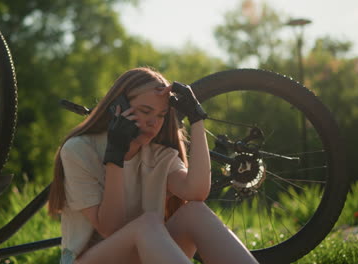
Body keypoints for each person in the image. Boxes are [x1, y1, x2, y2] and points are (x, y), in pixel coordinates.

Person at [48, 67, 259, 264]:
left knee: (194, 212)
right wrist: (116, 154)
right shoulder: (80, 150)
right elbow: (110, 228)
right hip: (90, 258)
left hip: (146, 255)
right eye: (145, 111)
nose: (153, 122)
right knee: (147, 224)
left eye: (160, 115)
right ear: (117, 108)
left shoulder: (159, 156)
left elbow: (196, 192)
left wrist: (197, 118)